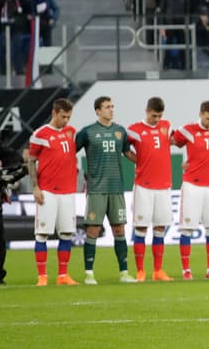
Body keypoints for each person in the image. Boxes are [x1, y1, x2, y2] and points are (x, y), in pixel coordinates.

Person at [73, 96, 136, 285]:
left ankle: (124, 273)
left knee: (119, 229)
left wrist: (148, 161)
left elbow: (128, 153)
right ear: (98, 111)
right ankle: (89, 274)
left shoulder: (120, 131)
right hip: (96, 190)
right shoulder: (87, 132)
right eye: (107, 107)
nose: (111, 109)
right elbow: (70, 153)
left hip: (116, 189)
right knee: (93, 229)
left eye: (112, 106)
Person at [25, 98, 80, 286]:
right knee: (42, 234)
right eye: (63, 116)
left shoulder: (71, 132)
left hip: (68, 191)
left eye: (69, 117)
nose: (66, 120)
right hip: (48, 191)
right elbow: (31, 161)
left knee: (66, 233)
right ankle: (42, 276)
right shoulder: (40, 134)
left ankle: (63, 275)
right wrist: (35, 187)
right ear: (54, 113)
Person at [173, 101, 209, 281]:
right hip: (192, 186)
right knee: (187, 229)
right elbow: (170, 141)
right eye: (208, 119)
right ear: (201, 114)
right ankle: (186, 271)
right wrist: (188, 162)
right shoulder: (187, 130)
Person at [125, 96, 176, 282]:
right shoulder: (134, 130)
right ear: (147, 111)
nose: (157, 119)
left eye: (159, 116)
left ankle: (158, 271)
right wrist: (138, 161)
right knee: (141, 228)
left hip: (163, 186)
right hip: (144, 186)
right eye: (154, 115)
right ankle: (140, 271)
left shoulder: (166, 126)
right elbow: (124, 149)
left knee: (160, 228)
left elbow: (175, 141)